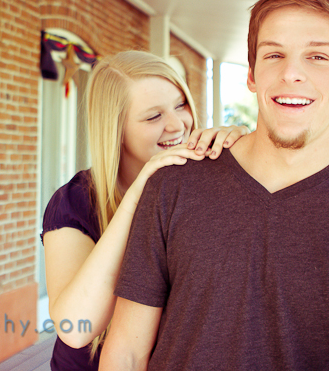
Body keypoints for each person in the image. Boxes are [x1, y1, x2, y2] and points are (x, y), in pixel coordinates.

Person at [100, 0, 329, 371]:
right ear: (252, 74)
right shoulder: (174, 186)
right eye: (274, 54)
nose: (291, 73)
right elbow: (127, 353)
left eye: (317, 56)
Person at [41, 50, 249, 370]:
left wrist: (245, 153)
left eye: (180, 105)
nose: (177, 125)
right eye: (153, 117)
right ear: (116, 130)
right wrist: (139, 192)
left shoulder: (198, 186)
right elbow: (76, 328)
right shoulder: (74, 202)